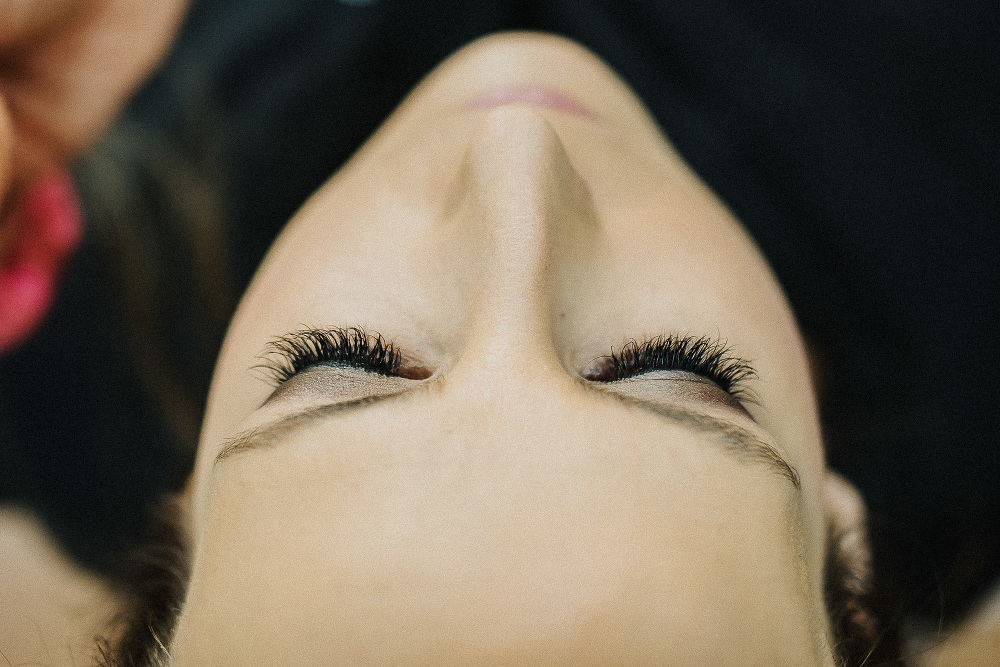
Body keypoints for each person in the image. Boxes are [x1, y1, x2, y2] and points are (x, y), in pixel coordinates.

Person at [2, 2, 997, 666]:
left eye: (341, 361)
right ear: (845, 550)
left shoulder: (67, 362)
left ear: (186, 498)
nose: (515, 153)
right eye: (670, 368)